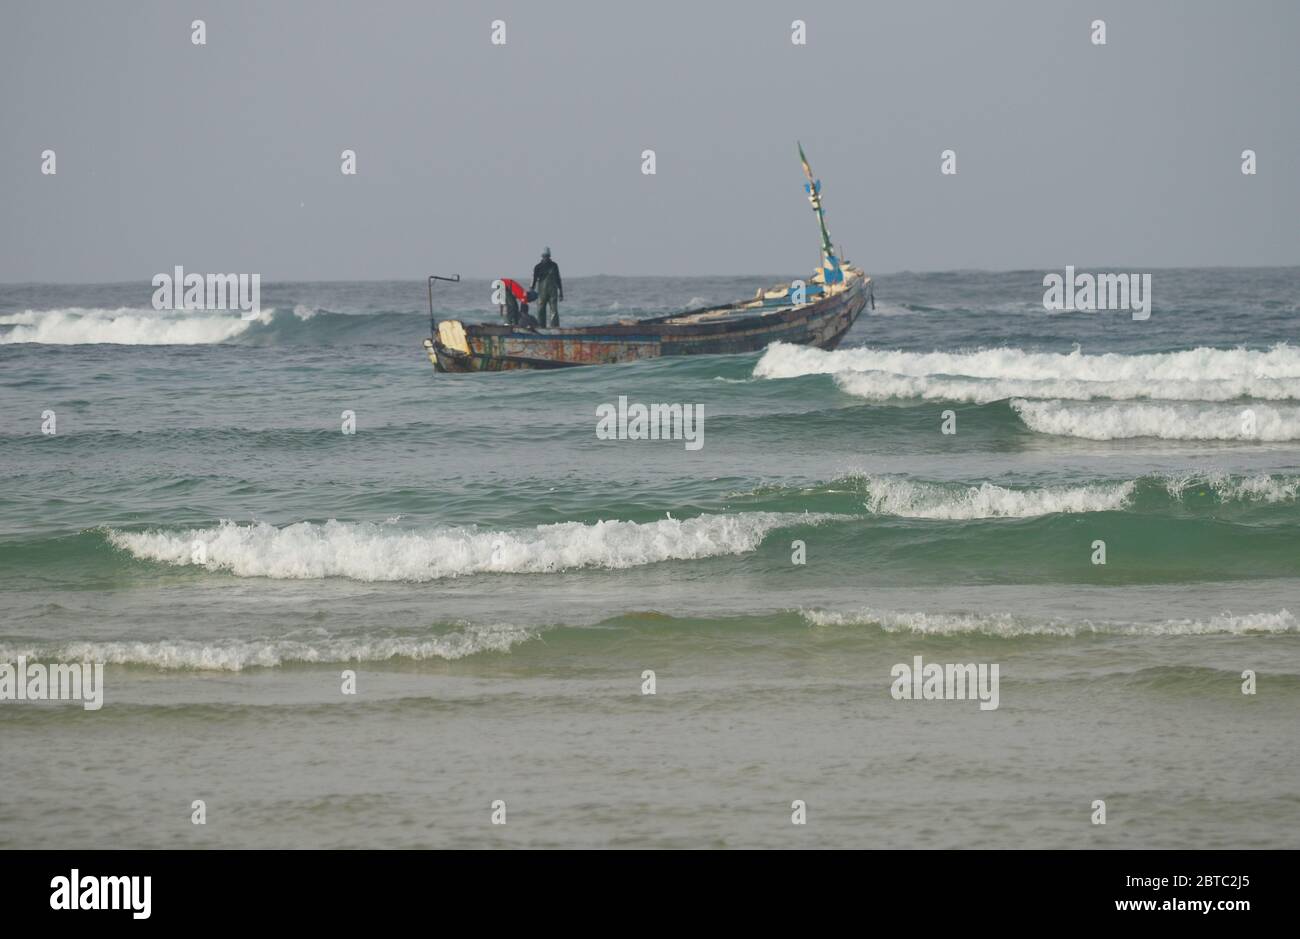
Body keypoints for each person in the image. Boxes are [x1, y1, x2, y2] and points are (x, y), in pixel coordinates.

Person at [531, 247, 563, 327]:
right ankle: (541, 327)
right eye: (545, 256)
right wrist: (532, 289)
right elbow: (534, 279)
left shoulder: (554, 266)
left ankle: (554, 327)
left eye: (547, 256)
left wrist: (561, 292)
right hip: (542, 293)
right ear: (542, 256)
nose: (546, 258)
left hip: (553, 292)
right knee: (540, 310)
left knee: (554, 311)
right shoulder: (537, 267)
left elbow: (558, 279)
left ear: (549, 256)